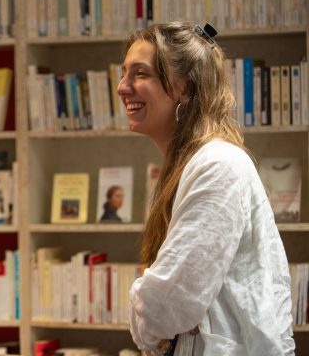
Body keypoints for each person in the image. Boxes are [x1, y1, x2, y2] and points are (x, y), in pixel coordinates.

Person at [117, 22, 294, 355]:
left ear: (184, 87)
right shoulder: (189, 165)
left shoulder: (218, 165)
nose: (122, 87)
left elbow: (167, 303)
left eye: (139, 74)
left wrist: (142, 302)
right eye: (123, 73)